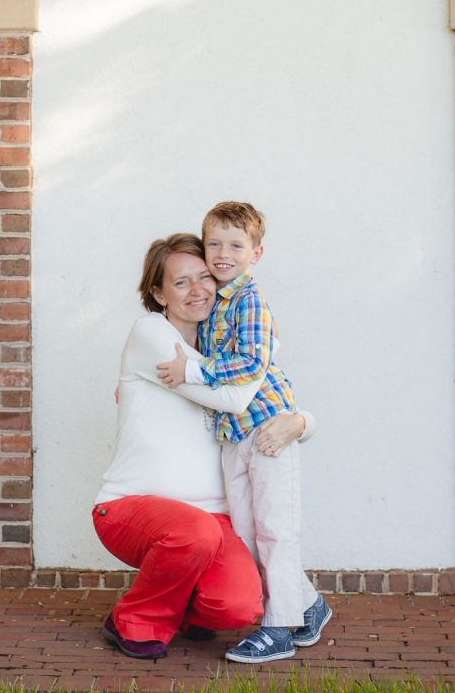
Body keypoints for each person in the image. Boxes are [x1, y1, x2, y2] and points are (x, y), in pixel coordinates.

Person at [93, 232, 314, 661]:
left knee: (239, 607)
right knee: (190, 532)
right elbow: (237, 398)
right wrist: (264, 359)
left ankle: (181, 606)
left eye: (204, 277)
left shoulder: (223, 349)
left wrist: (302, 421)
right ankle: (136, 618)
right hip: (130, 506)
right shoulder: (152, 335)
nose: (197, 290)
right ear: (158, 293)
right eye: (180, 282)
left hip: (212, 515)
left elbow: (273, 398)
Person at [157, 202, 331, 664]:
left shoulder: (250, 299)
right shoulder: (215, 301)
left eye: (236, 245)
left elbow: (252, 363)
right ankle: (311, 604)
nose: (222, 253)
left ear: (257, 253)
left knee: (276, 531)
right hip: (234, 435)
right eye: (214, 243)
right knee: (248, 534)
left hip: (268, 428)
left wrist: (194, 370)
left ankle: (280, 629)